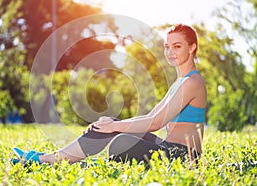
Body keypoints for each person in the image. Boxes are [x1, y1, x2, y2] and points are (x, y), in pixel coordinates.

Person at [12, 24, 207, 165]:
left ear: (192, 48)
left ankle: (58, 161)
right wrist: (111, 125)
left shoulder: (192, 82)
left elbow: (156, 123)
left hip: (182, 156)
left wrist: (114, 127)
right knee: (111, 126)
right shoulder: (179, 82)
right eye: (167, 46)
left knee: (121, 142)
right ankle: (52, 158)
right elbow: (149, 117)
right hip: (165, 146)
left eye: (177, 46)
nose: (170, 52)